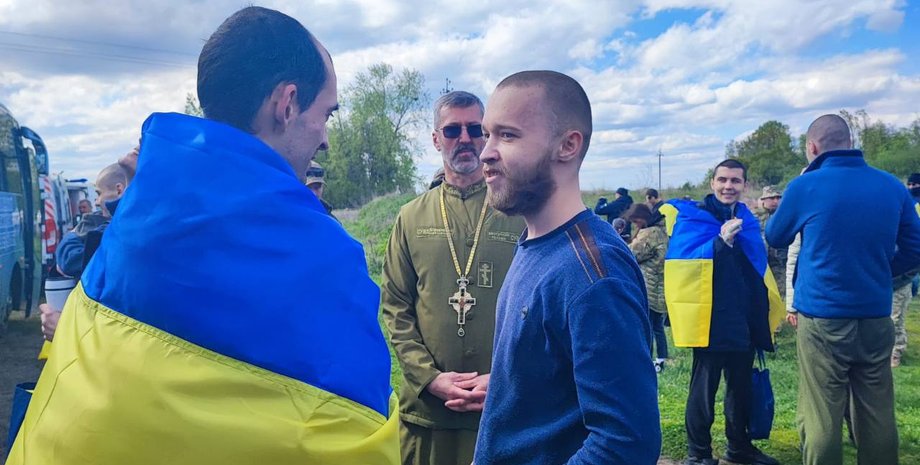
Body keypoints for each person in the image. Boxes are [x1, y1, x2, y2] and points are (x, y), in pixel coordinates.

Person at [8, 7, 398, 465]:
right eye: (326, 113)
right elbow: (356, 437)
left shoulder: (133, 219)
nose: (326, 139)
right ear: (287, 103)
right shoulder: (326, 258)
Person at [473, 70, 660, 465]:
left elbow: (626, 443)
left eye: (507, 135)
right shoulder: (537, 245)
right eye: (487, 134)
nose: (485, 152)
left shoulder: (593, 273)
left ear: (567, 145)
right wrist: (514, 386)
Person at [766, 114, 920, 465]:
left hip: (822, 318)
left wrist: (800, 187)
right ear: (850, 143)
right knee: (877, 410)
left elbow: (775, 236)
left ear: (812, 148)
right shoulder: (891, 186)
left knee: (821, 411)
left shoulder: (806, 186)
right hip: (875, 315)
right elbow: (915, 247)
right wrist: (883, 273)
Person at [381, 91, 524, 465]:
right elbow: (395, 306)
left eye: (475, 129)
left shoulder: (520, 214)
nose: (465, 138)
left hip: (503, 403)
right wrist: (428, 378)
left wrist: (507, 376)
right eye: (451, 130)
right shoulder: (411, 217)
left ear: (488, 135)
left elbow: (539, 307)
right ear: (435, 139)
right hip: (427, 412)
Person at [659, 159, 783, 465]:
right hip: (710, 320)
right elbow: (685, 268)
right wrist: (720, 242)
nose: (729, 186)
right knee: (703, 391)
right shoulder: (695, 218)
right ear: (713, 183)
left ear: (744, 185)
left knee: (740, 390)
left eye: (735, 181)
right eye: (723, 180)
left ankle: (739, 447)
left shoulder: (748, 220)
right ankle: (698, 453)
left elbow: (757, 268)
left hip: (743, 319)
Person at [40, 162, 129, 342]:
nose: (96, 201)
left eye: (98, 194)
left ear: (119, 190)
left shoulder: (118, 229)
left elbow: (71, 260)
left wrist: (71, 237)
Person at [627, 203, 670, 372]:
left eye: (636, 221)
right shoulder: (661, 231)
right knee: (658, 327)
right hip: (660, 287)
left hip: (648, 286)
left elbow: (631, 254)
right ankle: (661, 359)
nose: (636, 225)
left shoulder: (648, 234)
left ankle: (647, 360)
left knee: (647, 327)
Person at [755, 186, 787, 299]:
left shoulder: (785, 216)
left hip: (780, 264)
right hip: (761, 264)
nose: (775, 201)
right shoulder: (754, 217)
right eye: (772, 198)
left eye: (778, 198)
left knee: (781, 296)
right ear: (763, 199)